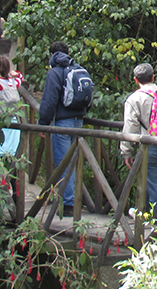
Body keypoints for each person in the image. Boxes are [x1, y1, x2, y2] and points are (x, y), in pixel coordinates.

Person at [120, 63, 157, 222]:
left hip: (149, 147)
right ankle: (144, 214)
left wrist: (126, 151)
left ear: (135, 80)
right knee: (151, 181)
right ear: (154, 77)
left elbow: (130, 127)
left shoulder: (135, 98)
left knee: (154, 185)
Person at [38, 42, 89, 218]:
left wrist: (43, 124)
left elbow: (49, 100)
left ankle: (68, 204)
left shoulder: (55, 72)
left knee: (63, 163)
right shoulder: (77, 68)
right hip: (78, 122)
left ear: (51, 54)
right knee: (73, 162)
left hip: (62, 123)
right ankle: (75, 200)